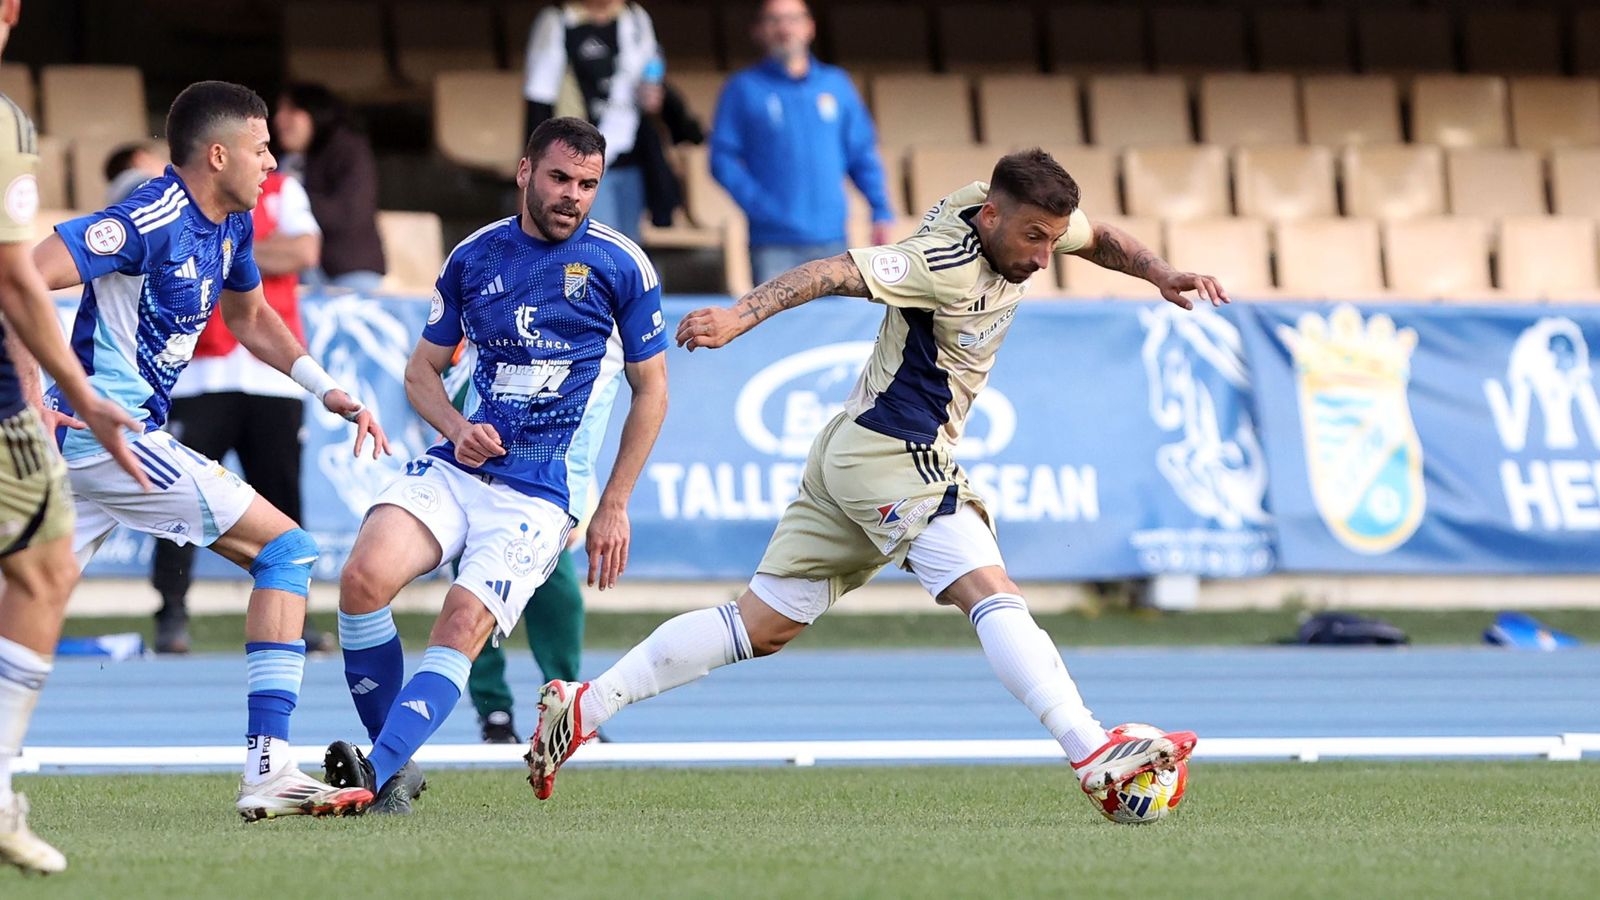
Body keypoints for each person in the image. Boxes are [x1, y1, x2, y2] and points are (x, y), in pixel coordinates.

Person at [528, 149, 1225, 807]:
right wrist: (740, 315)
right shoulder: (937, 262)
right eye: (1034, 240)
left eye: (1050, 240)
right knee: (989, 587)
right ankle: (1089, 752)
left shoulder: (1020, 214)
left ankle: (586, 705)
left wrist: (1161, 274)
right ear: (991, 216)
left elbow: (1096, 236)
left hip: (850, 450)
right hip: (897, 452)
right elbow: (831, 272)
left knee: (760, 625)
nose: (1044, 257)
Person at [28, 80, 390, 821]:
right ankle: (269, 767)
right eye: (261, 150)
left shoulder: (229, 224)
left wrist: (324, 387)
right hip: (110, 435)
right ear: (218, 153)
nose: (272, 164)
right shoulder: (150, 215)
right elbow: (28, 274)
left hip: (92, 447)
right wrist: (29, 382)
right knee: (286, 552)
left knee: (28, 603)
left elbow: (251, 316)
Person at [319, 117, 667, 814]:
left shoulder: (622, 265)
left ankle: (374, 774)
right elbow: (421, 372)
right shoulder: (474, 257)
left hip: (540, 493)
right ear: (524, 172)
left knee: (460, 622)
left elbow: (652, 389)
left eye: (588, 185)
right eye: (560, 178)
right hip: (456, 467)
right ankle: (389, 767)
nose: (573, 196)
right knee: (360, 581)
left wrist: (615, 504)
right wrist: (454, 425)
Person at [0, 0, 149, 873]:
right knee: (45, 568)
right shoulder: (7, 124)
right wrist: (83, 394)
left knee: (44, 564)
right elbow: (17, 276)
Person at [148, 169, 326, 655]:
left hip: (272, 376)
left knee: (284, 503)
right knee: (175, 498)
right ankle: (171, 613)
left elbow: (306, 252)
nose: (265, 156)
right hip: (199, 371)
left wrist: (228, 249)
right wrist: (260, 249)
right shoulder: (171, 195)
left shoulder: (284, 187)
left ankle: (294, 619)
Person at [440, 343, 589, 744]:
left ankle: (566, 707)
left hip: (535, 497)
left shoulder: (561, 334)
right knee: (472, 608)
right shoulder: (467, 336)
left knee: (561, 602)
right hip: (473, 492)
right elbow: (435, 392)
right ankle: (495, 714)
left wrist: (576, 499)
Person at [712, 0, 897, 285]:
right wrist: (761, 206)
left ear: (810, 27)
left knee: (838, 329)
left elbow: (861, 155)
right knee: (778, 329)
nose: (784, 28)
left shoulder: (837, 84)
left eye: (793, 19)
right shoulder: (742, 88)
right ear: (758, 31)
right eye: (773, 20)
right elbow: (721, 159)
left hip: (835, 239)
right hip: (772, 244)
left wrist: (880, 209)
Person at [524, 0, 661, 243]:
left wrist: (653, 94)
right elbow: (538, 100)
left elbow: (652, 75)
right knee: (592, 247)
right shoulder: (558, 20)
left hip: (630, 155)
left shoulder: (636, 17)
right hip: (580, 160)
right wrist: (531, 167)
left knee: (628, 248)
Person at [272, 83, 385, 291]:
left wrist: (292, 199)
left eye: (290, 109)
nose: (279, 119)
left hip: (350, 272)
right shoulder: (283, 160)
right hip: (298, 273)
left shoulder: (349, 149)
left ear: (315, 113)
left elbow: (350, 213)